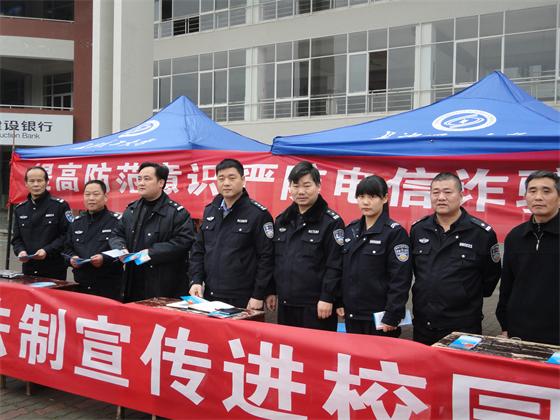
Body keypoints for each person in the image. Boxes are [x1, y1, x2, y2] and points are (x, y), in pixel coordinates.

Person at [411, 172, 501, 345]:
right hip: (424, 324)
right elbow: (417, 270)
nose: (441, 197)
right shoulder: (419, 229)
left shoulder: (481, 233)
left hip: (463, 326)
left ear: (461, 195)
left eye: (447, 192)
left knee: (461, 364)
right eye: (435, 192)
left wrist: (463, 294)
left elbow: (491, 277)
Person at [189, 159, 274, 309]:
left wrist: (258, 295)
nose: (226, 183)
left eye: (232, 178)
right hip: (210, 294)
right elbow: (198, 250)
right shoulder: (210, 210)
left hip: (243, 298)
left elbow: (266, 258)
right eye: (221, 178)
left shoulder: (258, 214)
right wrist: (196, 280)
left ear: (243, 180)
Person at [271, 161, 344, 331]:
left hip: (317, 306)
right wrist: (271, 291)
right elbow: (275, 259)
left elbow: (335, 264)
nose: (301, 191)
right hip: (286, 303)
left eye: (307, 185)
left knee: (316, 347)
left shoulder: (331, 222)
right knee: (287, 346)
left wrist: (327, 297)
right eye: (296, 186)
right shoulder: (282, 220)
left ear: (318, 186)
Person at [336, 175, 412, 337]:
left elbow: (400, 278)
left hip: (381, 319)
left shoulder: (394, 233)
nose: (365, 202)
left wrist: (392, 314)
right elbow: (343, 270)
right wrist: (339, 300)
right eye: (361, 196)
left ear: (384, 198)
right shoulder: (351, 230)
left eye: (372, 197)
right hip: (352, 315)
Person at [109, 162, 195, 302]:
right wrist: (121, 249)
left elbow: (183, 242)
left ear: (161, 183)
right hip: (132, 281)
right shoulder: (131, 210)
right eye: (139, 179)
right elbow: (116, 234)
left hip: (163, 284)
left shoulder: (177, 213)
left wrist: (151, 253)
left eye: (147, 179)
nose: (141, 183)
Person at [496, 170, 559, 345]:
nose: (538, 197)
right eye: (532, 191)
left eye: (546, 191)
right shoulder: (515, 236)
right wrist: (504, 325)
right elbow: (507, 284)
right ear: (525, 197)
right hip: (519, 331)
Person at [64, 180, 124, 300]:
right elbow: (66, 249)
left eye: (96, 194)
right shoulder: (76, 222)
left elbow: (123, 251)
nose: (91, 198)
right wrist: (71, 259)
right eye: (87, 194)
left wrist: (104, 258)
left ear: (105, 197)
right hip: (81, 285)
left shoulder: (116, 221)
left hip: (108, 286)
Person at [12, 166, 72, 280]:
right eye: (32, 181)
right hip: (28, 268)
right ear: (26, 183)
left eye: (39, 180)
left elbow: (67, 235)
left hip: (54, 269)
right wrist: (21, 251)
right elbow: (16, 239)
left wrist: (46, 250)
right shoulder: (20, 209)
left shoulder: (60, 206)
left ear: (46, 182)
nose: (36, 184)